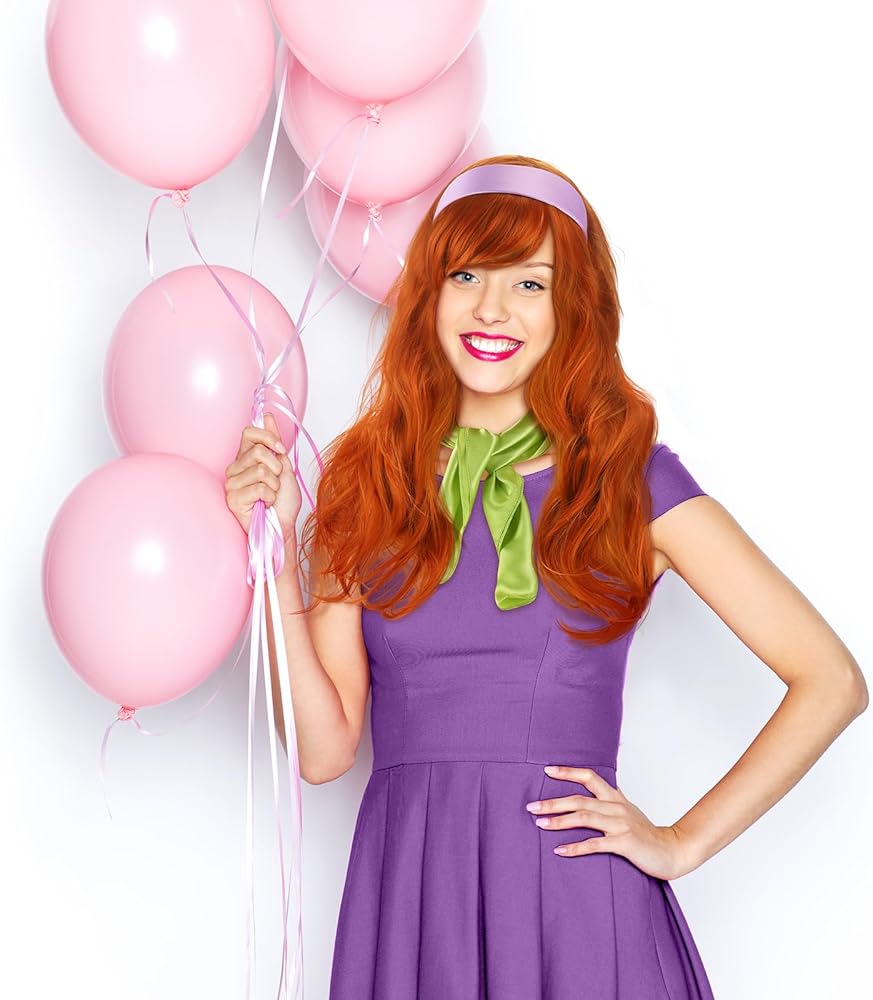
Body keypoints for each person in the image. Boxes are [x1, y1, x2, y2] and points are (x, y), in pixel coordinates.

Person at [224, 155, 868, 999]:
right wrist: (271, 556)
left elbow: (831, 680)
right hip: (415, 903)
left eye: (530, 284)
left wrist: (679, 842)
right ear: (428, 293)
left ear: (574, 308)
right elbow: (323, 752)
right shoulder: (364, 484)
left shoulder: (632, 482)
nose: (492, 309)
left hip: (575, 907)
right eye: (466, 275)